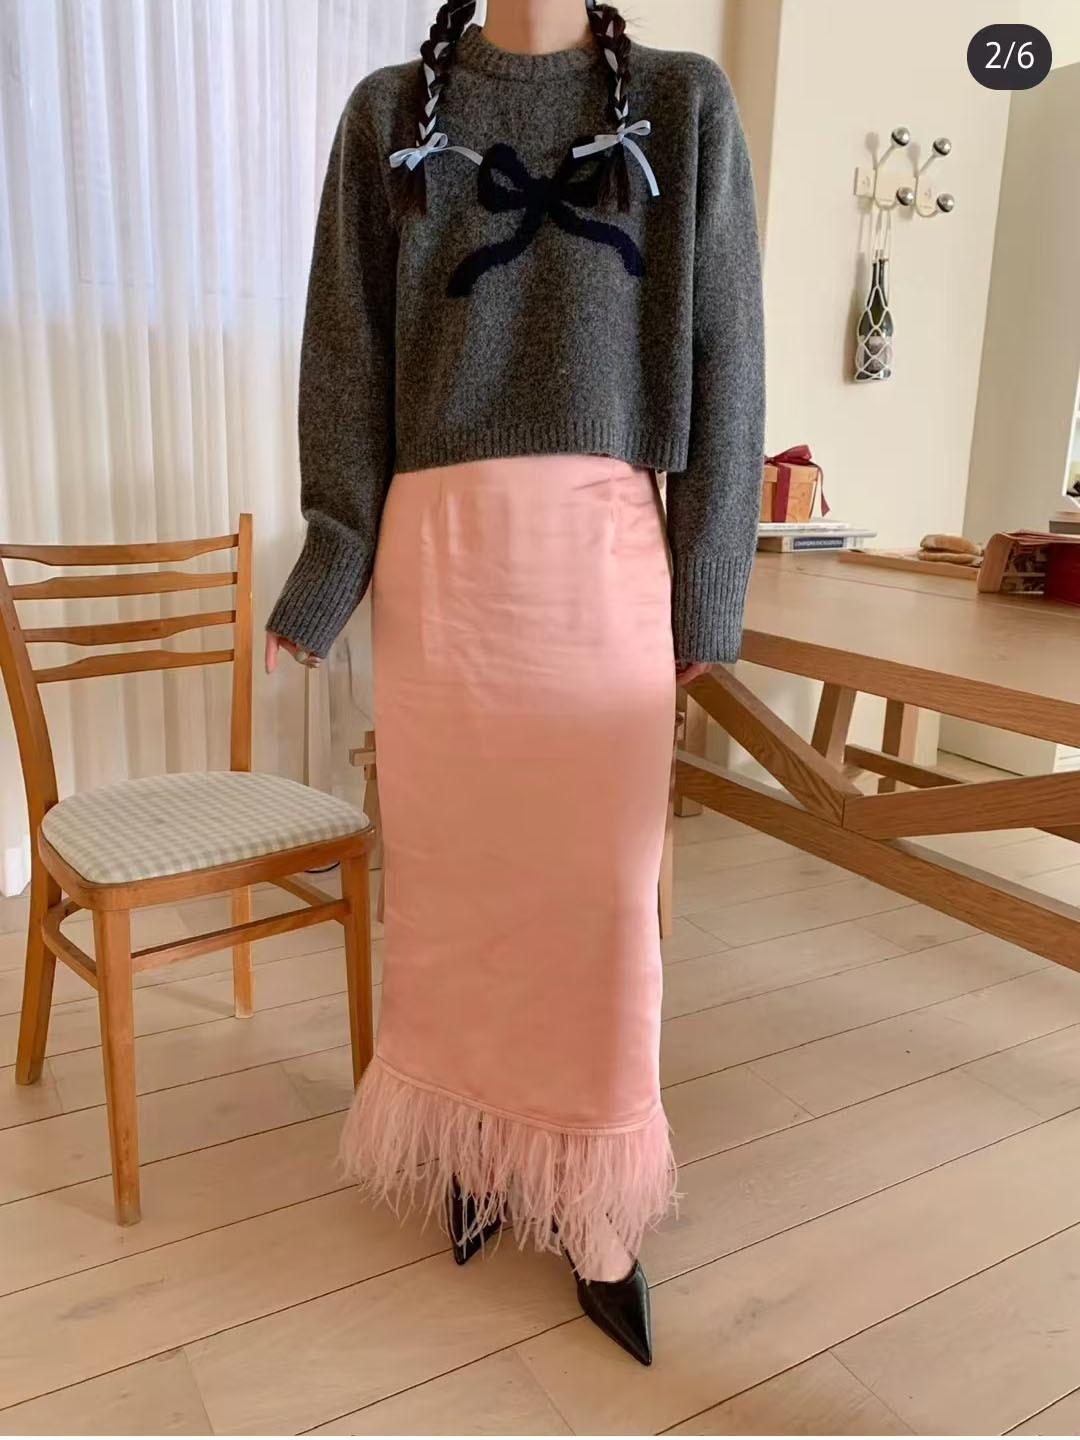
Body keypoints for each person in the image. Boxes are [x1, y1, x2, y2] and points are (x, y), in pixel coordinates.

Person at [265, 0, 764, 1366]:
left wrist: (708, 587)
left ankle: (599, 1206)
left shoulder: (683, 101)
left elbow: (726, 358)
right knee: (456, 898)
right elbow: (345, 357)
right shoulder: (388, 112)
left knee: (600, 909)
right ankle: (480, 1157)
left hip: (602, 558)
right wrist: (332, 567)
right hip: (441, 571)